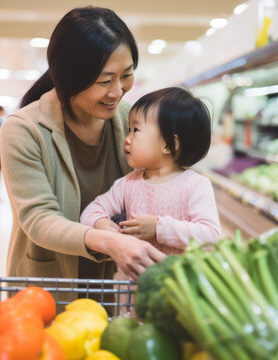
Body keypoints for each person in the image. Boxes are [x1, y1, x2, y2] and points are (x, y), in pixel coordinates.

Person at [0, 6, 166, 284]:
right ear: (68, 77)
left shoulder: (132, 119)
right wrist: (108, 241)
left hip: (120, 282)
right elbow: (39, 218)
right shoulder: (24, 129)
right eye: (104, 81)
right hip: (51, 286)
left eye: (126, 75)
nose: (117, 91)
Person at [80, 87, 221, 280]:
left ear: (168, 144)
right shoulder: (128, 184)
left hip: (183, 290)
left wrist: (159, 228)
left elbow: (210, 236)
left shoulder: (195, 185)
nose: (127, 138)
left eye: (136, 130)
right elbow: (91, 210)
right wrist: (101, 223)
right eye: (129, 129)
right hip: (133, 293)